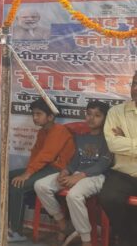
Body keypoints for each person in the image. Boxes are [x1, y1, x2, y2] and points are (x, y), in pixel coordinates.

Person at [0, 98, 75, 242]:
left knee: (18, 185)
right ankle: (4, 223)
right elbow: (36, 155)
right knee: (5, 177)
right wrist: (28, 172)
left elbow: (46, 155)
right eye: (33, 114)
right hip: (45, 167)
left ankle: (16, 231)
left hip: (58, 169)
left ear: (50, 117)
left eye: (38, 114)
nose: (34, 117)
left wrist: (27, 174)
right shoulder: (42, 132)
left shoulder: (59, 130)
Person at [34, 100, 112, 246]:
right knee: (40, 185)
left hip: (96, 176)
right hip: (76, 173)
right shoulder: (81, 137)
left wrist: (79, 176)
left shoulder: (108, 138)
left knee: (73, 195)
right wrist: (66, 171)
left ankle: (86, 240)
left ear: (105, 118)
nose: (91, 118)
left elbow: (103, 164)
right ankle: (63, 225)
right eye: (89, 114)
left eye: (97, 115)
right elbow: (75, 159)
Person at [99, 71, 137, 246]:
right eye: (134, 84)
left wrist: (126, 141)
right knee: (108, 197)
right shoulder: (116, 112)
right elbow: (113, 145)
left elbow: (120, 144)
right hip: (123, 173)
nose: (135, 88)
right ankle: (128, 238)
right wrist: (120, 141)